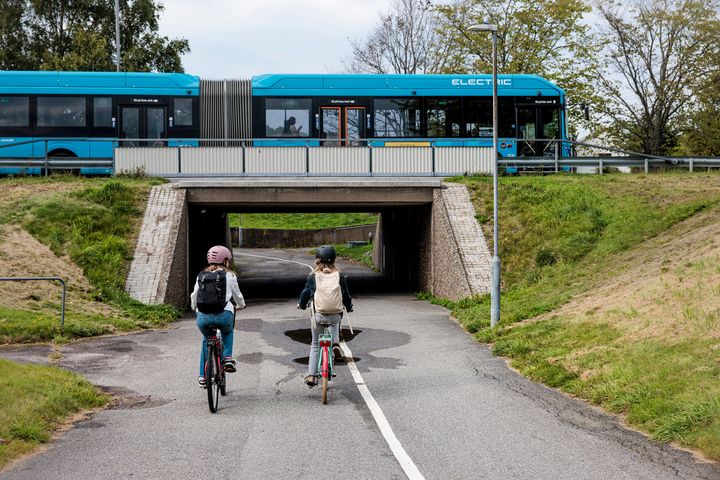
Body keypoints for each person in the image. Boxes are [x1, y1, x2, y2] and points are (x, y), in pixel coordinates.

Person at [297, 245, 353, 387]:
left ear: (317, 261)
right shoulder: (339, 276)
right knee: (335, 321)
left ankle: (311, 375)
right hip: (335, 315)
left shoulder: (313, 277)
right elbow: (345, 295)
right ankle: (335, 343)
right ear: (334, 260)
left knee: (315, 344)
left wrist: (302, 305)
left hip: (319, 316)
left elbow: (305, 294)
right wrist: (350, 306)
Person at [191, 245, 246, 387]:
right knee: (228, 332)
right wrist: (241, 305)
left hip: (203, 317)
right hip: (223, 315)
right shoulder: (230, 276)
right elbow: (237, 296)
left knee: (206, 340)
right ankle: (227, 358)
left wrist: (194, 308)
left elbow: (194, 296)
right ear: (226, 260)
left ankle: (203, 377)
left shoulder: (201, 276)